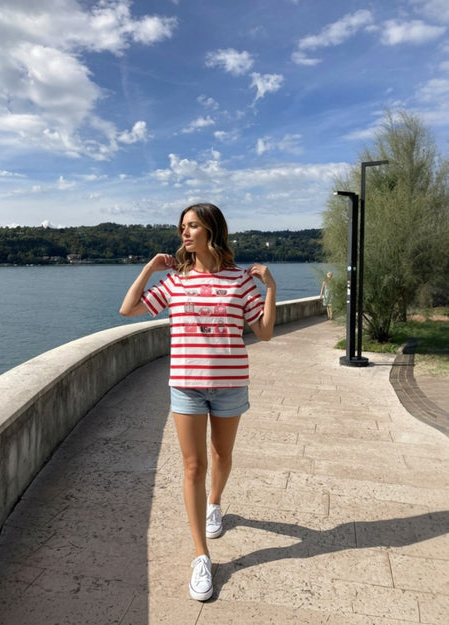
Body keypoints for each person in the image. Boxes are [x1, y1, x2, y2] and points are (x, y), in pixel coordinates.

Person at [120, 203, 276, 601]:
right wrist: (148, 270)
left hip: (229, 384)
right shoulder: (176, 280)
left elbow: (264, 332)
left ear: (211, 230)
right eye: (182, 228)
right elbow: (128, 308)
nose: (184, 234)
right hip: (186, 385)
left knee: (222, 456)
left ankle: (215, 503)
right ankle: (201, 557)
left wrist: (271, 289)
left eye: (191, 226)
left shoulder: (239, 280)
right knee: (193, 466)